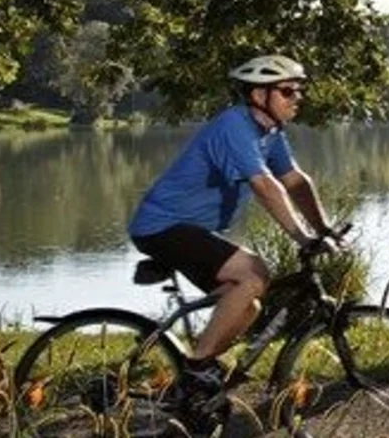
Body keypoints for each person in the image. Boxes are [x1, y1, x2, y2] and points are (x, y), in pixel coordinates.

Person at [126, 54, 340, 399]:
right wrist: (302, 237)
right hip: (163, 225)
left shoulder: (269, 132)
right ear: (259, 96)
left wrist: (323, 229)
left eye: (299, 91)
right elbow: (265, 185)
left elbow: (295, 181)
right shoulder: (235, 125)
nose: (297, 98)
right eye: (287, 91)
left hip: (189, 229)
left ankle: (197, 385)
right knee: (254, 273)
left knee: (248, 303)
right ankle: (197, 368)